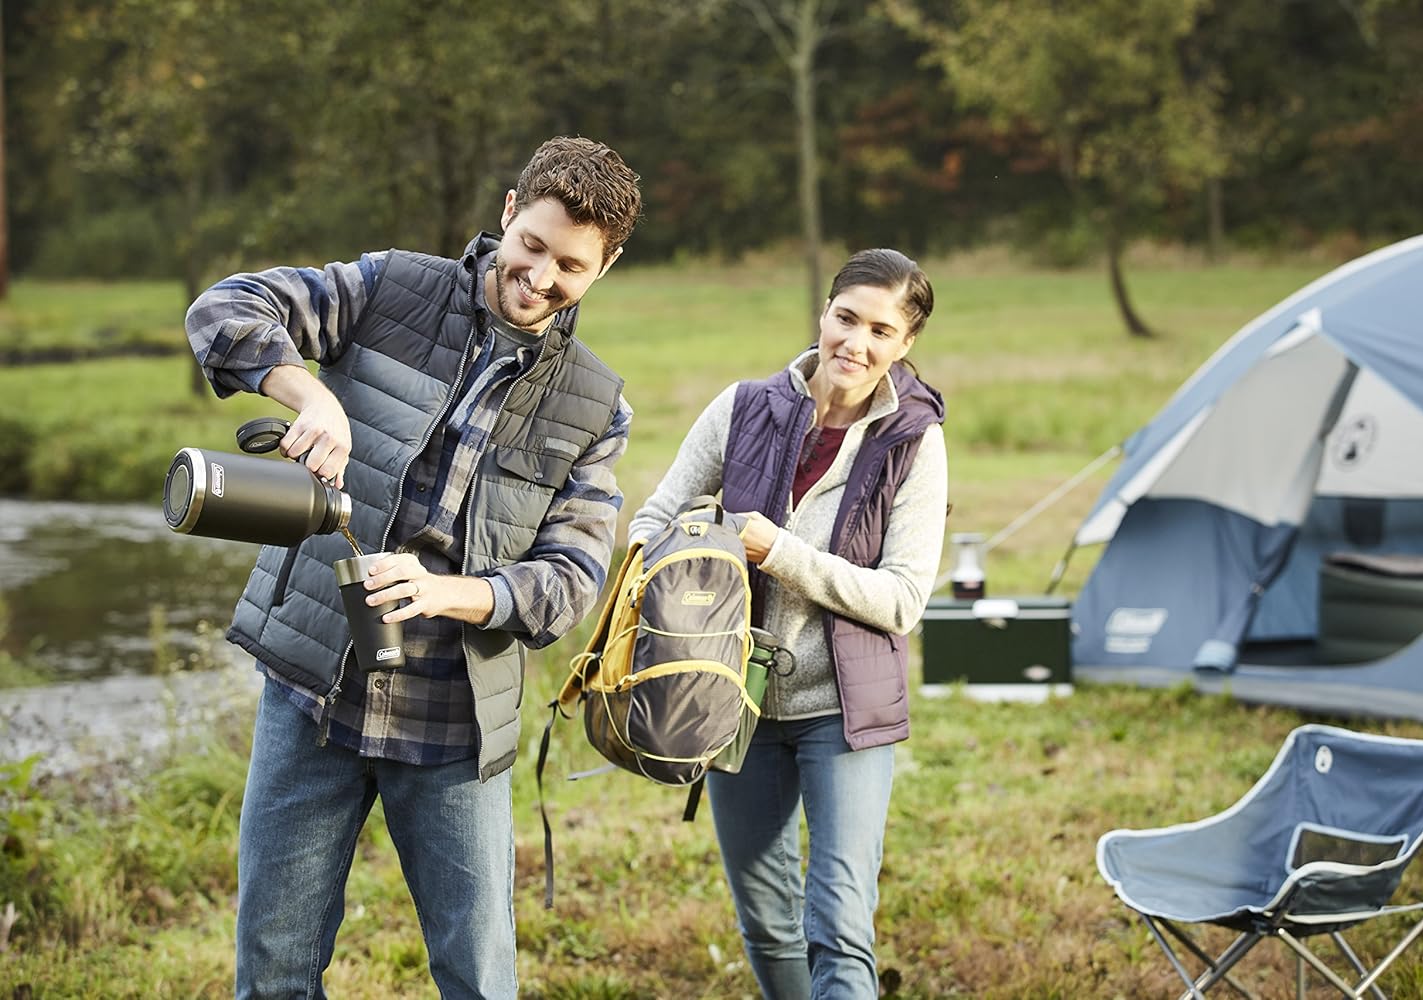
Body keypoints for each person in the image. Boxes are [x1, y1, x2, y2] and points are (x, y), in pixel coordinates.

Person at [185, 135, 643, 999]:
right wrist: (309, 393)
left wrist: (449, 593)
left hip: (454, 720)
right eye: (532, 246)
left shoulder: (597, 405)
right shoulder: (389, 287)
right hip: (313, 690)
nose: (540, 278)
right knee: (273, 973)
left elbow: (571, 581)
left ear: (606, 266)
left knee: (478, 980)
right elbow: (226, 307)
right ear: (509, 211)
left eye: (571, 267)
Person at [627, 248, 947, 999]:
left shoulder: (913, 441)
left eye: (880, 331)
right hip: (731, 703)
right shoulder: (744, 408)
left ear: (905, 343)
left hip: (843, 710)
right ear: (823, 313)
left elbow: (903, 600)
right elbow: (650, 525)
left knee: (840, 927)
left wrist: (780, 552)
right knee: (768, 925)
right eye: (846, 318)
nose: (855, 343)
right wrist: (696, 562)